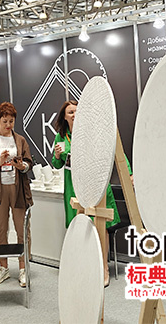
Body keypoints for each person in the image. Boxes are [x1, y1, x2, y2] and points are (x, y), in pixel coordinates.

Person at [51, 99, 132, 287]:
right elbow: (57, 164)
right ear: (64, 116)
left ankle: (103, 269)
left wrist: (127, 172)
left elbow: (114, 149)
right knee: (79, 227)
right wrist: (57, 155)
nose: (74, 115)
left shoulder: (92, 132)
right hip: (73, 185)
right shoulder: (60, 137)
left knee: (100, 225)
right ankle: (84, 268)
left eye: (77, 111)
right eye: (70, 112)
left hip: (95, 182)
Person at [0, 102, 33, 287]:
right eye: (5, 121)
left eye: (11, 121)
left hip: (18, 190)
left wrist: (21, 165)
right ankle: (3, 267)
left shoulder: (21, 140)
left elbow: (28, 164)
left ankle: (23, 268)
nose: (8, 125)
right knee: (0, 230)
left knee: (22, 229)